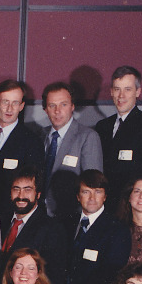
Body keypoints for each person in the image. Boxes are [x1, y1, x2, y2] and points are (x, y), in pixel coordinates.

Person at [64, 170, 131, 284]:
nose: (92, 198)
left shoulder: (117, 230)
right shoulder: (64, 223)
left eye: (98, 192)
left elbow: (109, 272)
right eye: (86, 192)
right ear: (78, 196)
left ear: (105, 197)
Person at [96, 66, 142, 201]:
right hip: (106, 208)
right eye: (117, 89)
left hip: (132, 209)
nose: (121, 96)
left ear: (138, 92)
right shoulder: (102, 127)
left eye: (128, 89)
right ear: (111, 92)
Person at [0, 80, 44, 218]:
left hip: (6, 215)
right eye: (5, 102)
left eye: (15, 103)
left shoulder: (31, 141)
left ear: (22, 106)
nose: (9, 108)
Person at [40, 81, 103, 220]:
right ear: (45, 109)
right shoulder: (40, 136)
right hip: (39, 216)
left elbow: (93, 187)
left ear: (72, 106)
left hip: (70, 218)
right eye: (52, 105)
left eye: (63, 104)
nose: (57, 111)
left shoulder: (87, 137)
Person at [1, 166, 68, 284]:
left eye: (27, 190)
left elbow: (53, 278)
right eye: (16, 189)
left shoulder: (52, 229)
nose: (21, 196)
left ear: (38, 194)